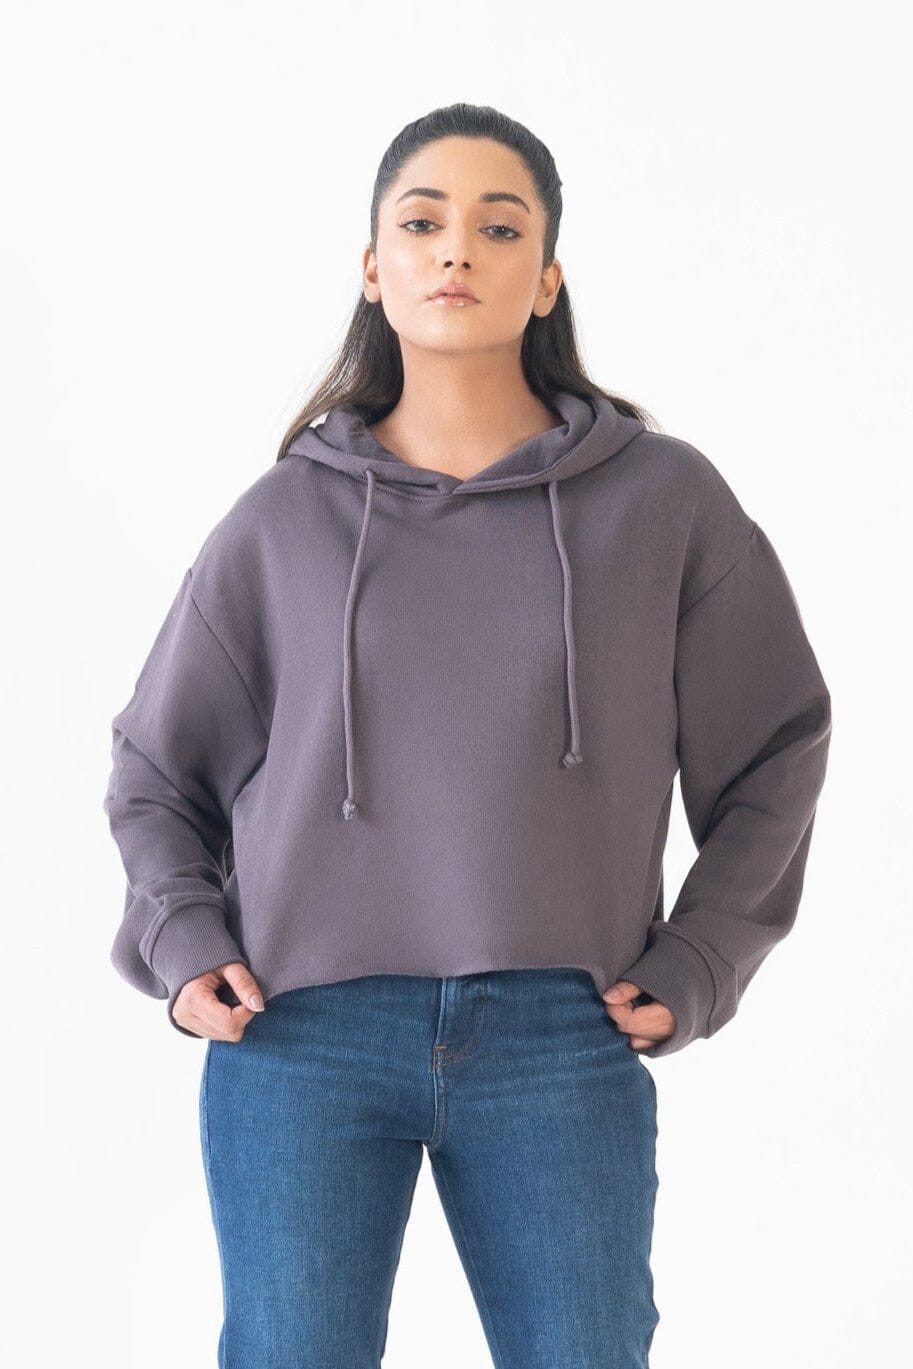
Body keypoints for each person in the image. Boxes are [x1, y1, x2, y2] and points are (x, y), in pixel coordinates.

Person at [102, 103, 832, 1368]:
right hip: (302, 1030)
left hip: (561, 1027)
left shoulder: (662, 502)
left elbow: (778, 741)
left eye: (500, 228)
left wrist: (702, 956)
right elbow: (157, 770)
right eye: (422, 222)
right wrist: (182, 938)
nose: (456, 250)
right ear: (372, 267)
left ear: (546, 278)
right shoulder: (282, 520)